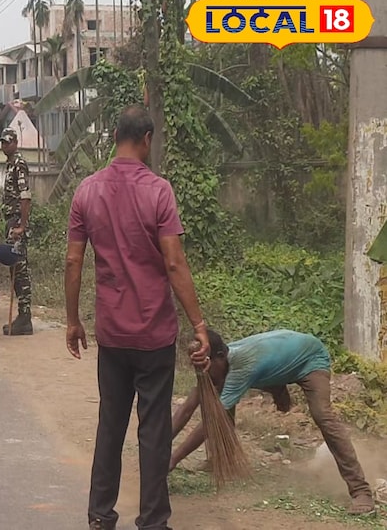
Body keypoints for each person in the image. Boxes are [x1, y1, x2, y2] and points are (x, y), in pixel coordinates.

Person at [64, 106, 211, 530]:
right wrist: (199, 324)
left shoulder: (86, 192)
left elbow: (73, 262)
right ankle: (152, 520)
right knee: (154, 430)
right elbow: (175, 263)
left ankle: (99, 515)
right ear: (147, 139)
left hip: (111, 333)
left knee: (110, 423)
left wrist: (73, 321)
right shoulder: (159, 191)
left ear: (114, 136)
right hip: (154, 333)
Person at [171, 329, 375, 514]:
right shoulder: (219, 361)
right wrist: (159, 448)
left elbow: (212, 421)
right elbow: (186, 409)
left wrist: (173, 459)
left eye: (205, 365)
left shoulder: (241, 366)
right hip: (277, 359)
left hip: (309, 358)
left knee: (323, 415)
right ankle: (221, 458)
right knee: (224, 397)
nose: (202, 371)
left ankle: (360, 490)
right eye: (197, 366)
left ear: (221, 356)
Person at [0, 128, 33, 336]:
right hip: (10, 220)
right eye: (2, 142)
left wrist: (22, 225)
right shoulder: (9, 164)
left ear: (16, 142)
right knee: (13, 267)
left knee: (20, 269)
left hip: (16, 222)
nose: (4, 146)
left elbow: (25, 196)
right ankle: (22, 315)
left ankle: (25, 316)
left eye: (8, 142)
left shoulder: (19, 164)